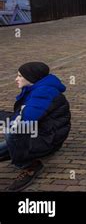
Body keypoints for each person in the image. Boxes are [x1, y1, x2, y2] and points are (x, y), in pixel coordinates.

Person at [0, 62, 71, 191]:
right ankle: (16, 152)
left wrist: (5, 124)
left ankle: (29, 165)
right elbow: (20, 114)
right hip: (37, 133)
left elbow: (24, 121)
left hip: (48, 139)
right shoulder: (36, 88)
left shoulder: (44, 93)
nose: (16, 79)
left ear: (31, 78)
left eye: (20, 76)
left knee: (12, 132)